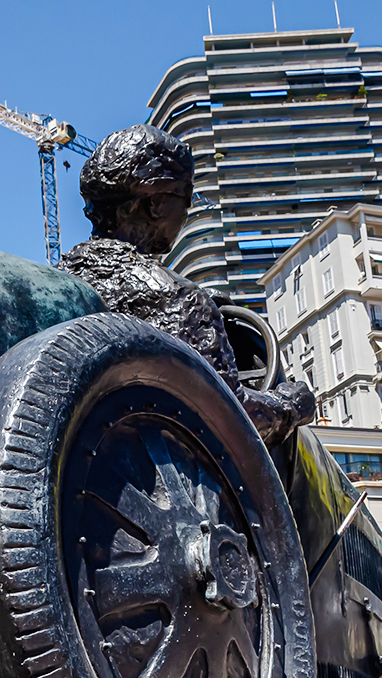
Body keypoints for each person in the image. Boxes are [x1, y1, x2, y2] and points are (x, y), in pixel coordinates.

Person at [59, 124, 316, 445]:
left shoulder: (59, 281)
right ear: (155, 203)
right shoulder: (177, 299)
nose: (188, 209)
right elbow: (232, 421)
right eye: (187, 195)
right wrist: (290, 406)